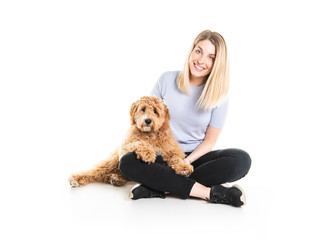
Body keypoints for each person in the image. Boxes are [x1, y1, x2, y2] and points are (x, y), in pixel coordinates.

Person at [119, 30, 251, 207]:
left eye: (211, 57)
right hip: (161, 155)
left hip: (193, 159)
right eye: (198, 51)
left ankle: (160, 187)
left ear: (217, 63)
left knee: (241, 159)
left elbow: (210, 141)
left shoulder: (220, 95)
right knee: (127, 162)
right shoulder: (167, 79)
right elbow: (147, 118)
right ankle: (209, 193)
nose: (201, 60)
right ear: (191, 51)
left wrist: (185, 161)